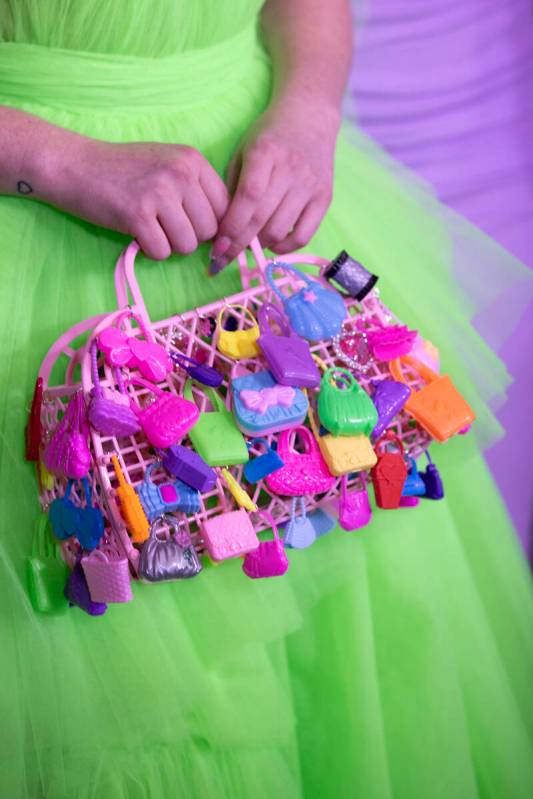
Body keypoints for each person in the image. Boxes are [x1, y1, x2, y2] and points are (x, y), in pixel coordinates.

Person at [0, 2, 531, 798]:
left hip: (259, 196)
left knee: (335, 558)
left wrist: (308, 112)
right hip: (36, 217)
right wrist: (64, 159)